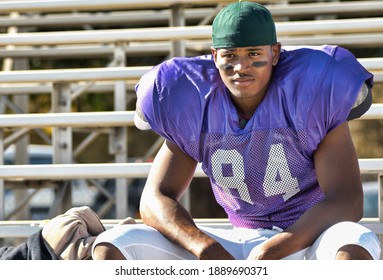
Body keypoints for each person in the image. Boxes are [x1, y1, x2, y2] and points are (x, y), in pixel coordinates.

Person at [92, 1, 381, 260]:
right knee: (113, 244)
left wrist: (276, 248)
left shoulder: (312, 93)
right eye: (230, 55)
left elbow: (347, 199)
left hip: (307, 241)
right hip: (236, 240)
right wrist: (203, 247)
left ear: (276, 53)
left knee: (353, 244)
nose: (241, 67)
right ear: (214, 55)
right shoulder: (193, 101)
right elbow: (154, 198)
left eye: (253, 53)